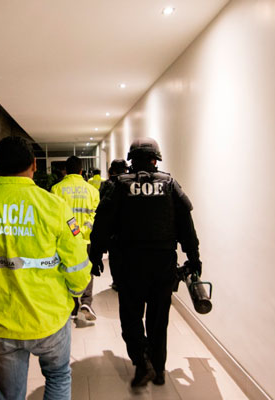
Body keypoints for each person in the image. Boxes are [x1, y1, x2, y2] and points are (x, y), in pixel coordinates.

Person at [0, 136, 91, 400]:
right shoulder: (54, 206)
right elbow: (76, 261)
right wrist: (76, 291)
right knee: (58, 376)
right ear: (34, 165)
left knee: (10, 395)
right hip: (49, 317)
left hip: (1, 319)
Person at [90, 138, 202, 388]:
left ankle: (142, 361)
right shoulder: (169, 184)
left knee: (131, 317)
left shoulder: (119, 185)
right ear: (155, 159)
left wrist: (96, 254)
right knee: (158, 319)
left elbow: (102, 223)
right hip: (163, 264)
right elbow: (186, 226)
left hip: (129, 264)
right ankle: (159, 370)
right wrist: (194, 257)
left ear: (131, 160)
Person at [51, 156, 100, 322]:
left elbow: (55, 215)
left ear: (65, 170)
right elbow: (94, 215)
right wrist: (82, 231)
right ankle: (86, 302)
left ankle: (72, 306)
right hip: (85, 238)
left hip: (64, 239)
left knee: (66, 268)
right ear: (81, 171)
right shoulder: (92, 191)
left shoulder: (56, 189)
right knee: (86, 268)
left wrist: (72, 232)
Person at [97, 159, 128, 291]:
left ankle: (116, 281)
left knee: (114, 257)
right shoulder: (130, 184)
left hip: (112, 229)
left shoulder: (107, 184)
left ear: (112, 170)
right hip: (127, 228)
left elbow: (101, 206)